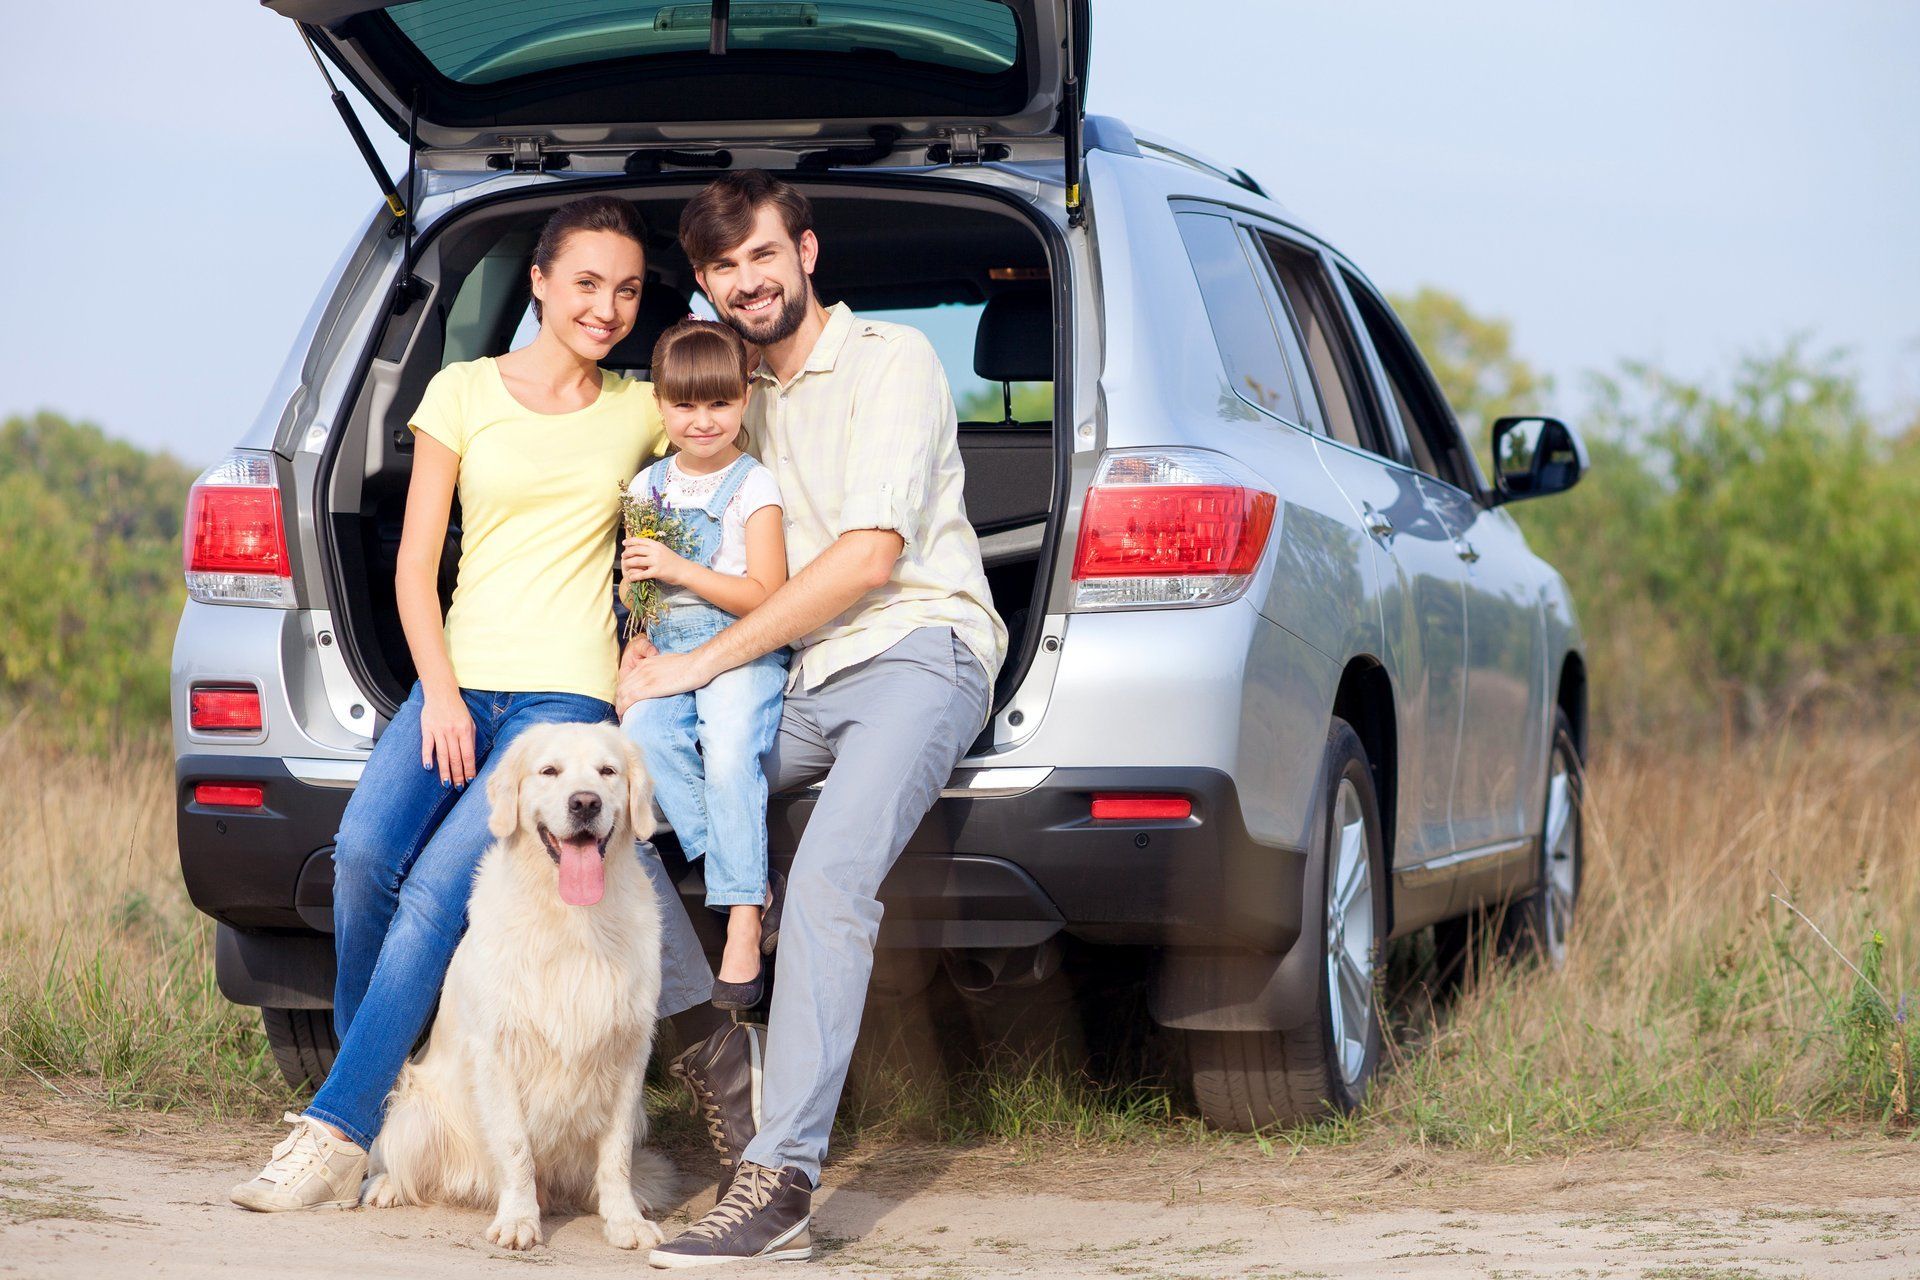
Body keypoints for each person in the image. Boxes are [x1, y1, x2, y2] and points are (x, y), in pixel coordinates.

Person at [230, 195, 667, 1213]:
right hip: (455, 678)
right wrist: (436, 692)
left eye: (629, 289)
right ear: (542, 283)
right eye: (589, 283)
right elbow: (416, 563)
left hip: (565, 697)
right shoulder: (463, 389)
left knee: (435, 896)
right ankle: (384, 1097)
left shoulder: (641, 406)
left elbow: (720, 448)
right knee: (366, 860)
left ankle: (335, 1131)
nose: (608, 306)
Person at [619, 170, 1007, 1267]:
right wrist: (642, 661)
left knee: (833, 875)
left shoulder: (891, 362)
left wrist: (704, 667)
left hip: (916, 653)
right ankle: (714, 1042)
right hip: (793, 679)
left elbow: (870, 559)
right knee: (618, 795)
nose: (749, 280)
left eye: (763, 254)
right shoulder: (730, 401)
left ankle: (779, 1181)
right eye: (725, 266)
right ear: (703, 285)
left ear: (807, 252)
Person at [620, 319, 789, 1010]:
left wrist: (679, 568)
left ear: (744, 399)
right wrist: (635, 628)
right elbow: (638, 586)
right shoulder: (647, 487)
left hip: (743, 643)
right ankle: (745, 877)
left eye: (719, 403)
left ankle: (743, 918)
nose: (702, 421)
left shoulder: (754, 487)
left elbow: (769, 597)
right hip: (670, 645)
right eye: (685, 405)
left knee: (726, 755)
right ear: (659, 404)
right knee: (644, 735)